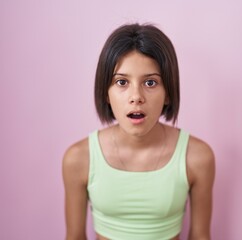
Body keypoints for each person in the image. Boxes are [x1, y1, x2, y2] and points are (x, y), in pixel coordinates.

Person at [62, 23, 215, 240]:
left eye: (150, 82)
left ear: (168, 93)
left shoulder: (197, 157)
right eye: (122, 82)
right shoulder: (78, 159)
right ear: (106, 92)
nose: (136, 96)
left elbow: (200, 236)